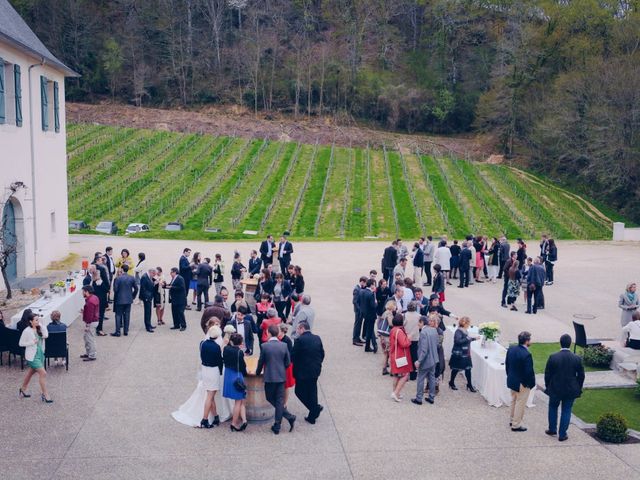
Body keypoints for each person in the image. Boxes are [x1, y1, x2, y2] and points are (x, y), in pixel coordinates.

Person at [256, 324, 297, 434]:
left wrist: (257, 372)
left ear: (268, 333)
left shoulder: (264, 346)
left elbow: (261, 362)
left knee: (270, 398)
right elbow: (288, 363)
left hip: (269, 377)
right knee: (279, 400)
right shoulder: (283, 345)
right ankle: (280, 423)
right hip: (281, 377)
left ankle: (282, 421)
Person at [544, 334, 585, 441]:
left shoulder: (553, 357)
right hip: (570, 389)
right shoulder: (576, 358)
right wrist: (578, 387)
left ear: (560, 342)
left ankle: (552, 429)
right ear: (570, 344)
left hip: (555, 389)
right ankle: (562, 434)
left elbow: (547, 374)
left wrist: (548, 386)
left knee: (553, 407)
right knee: (566, 410)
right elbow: (581, 375)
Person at [292, 321, 325, 424]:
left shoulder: (299, 340)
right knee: (312, 391)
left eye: (298, 329)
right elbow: (322, 353)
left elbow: (293, 356)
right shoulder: (317, 338)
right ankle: (312, 417)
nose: (297, 331)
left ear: (302, 328)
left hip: (302, 372)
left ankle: (314, 409)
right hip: (315, 370)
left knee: (299, 391)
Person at [18, 313, 52, 403]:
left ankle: (23, 389)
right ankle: (45, 394)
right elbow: (20, 343)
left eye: (38, 319)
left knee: (30, 373)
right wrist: (31, 342)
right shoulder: (27, 331)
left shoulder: (40, 327)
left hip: (40, 354)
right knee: (43, 373)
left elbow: (46, 335)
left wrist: (41, 326)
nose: (38, 321)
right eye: (36, 320)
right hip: (32, 356)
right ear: (30, 321)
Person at [506, 331, 536, 432]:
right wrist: (530, 384)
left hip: (512, 380)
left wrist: (510, 376)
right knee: (520, 403)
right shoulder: (527, 354)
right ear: (527, 341)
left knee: (514, 400)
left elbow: (507, 365)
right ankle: (516, 424)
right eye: (530, 340)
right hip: (522, 383)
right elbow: (529, 372)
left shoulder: (511, 349)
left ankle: (512, 419)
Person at [199, 325, 224, 429]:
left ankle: (216, 416)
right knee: (210, 396)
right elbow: (219, 361)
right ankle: (204, 419)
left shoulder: (203, 343)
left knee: (211, 395)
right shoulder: (216, 347)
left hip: (205, 369)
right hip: (213, 371)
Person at [411, 316, 440, 405]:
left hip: (426, 360)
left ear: (422, 322)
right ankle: (431, 397)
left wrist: (419, 361)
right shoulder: (434, 330)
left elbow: (424, 349)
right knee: (431, 378)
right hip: (434, 359)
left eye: (419, 323)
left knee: (420, 379)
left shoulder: (423, 332)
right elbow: (437, 344)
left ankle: (419, 398)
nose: (418, 324)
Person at [223, 333, 248, 431]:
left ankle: (245, 420)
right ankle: (233, 424)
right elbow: (242, 367)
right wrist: (246, 373)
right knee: (238, 401)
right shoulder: (239, 352)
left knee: (240, 400)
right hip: (236, 376)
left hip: (228, 375)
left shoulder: (226, 349)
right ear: (241, 343)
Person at [449, 316, 477, 392]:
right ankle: (451, 382)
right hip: (459, 354)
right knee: (456, 369)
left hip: (466, 353)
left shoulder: (464, 330)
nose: (469, 325)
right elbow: (458, 341)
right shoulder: (458, 331)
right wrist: (468, 338)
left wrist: (474, 338)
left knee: (468, 369)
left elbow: (466, 340)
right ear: (465, 324)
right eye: (468, 323)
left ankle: (469, 384)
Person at [389, 314, 412, 402]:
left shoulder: (393, 330)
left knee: (396, 375)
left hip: (394, 355)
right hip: (400, 356)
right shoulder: (399, 331)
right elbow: (404, 343)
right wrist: (409, 339)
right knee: (405, 374)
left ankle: (395, 392)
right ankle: (395, 393)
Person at [112, 264, 138, 337]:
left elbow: (115, 290)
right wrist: (132, 296)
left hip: (119, 299)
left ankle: (118, 332)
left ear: (122, 269)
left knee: (118, 315)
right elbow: (136, 289)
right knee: (127, 315)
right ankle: (126, 331)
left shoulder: (117, 278)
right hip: (128, 299)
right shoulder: (132, 278)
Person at [80, 286, 99, 361]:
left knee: (89, 339)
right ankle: (88, 353)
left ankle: (92, 355)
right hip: (94, 320)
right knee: (86, 338)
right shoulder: (94, 297)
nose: (82, 293)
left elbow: (90, 315)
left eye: (83, 291)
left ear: (87, 292)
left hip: (91, 322)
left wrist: (87, 325)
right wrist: (84, 311)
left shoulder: (90, 301)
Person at [165, 267, 187, 331]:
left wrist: (171, 287)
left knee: (180, 312)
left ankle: (183, 325)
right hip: (174, 299)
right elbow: (171, 285)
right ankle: (176, 324)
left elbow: (181, 287)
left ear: (175, 272)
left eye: (171, 272)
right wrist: (165, 285)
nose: (170, 273)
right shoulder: (174, 278)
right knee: (174, 312)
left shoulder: (180, 278)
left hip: (180, 299)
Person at [404, 301, 421, 381]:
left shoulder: (405, 315)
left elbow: (403, 325)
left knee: (406, 355)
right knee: (414, 355)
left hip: (406, 337)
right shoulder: (419, 316)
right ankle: (413, 374)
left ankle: (405, 373)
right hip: (415, 338)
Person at [378, 300, 396, 375]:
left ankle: (384, 368)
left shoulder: (384, 312)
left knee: (385, 353)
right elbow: (391, 324)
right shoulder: (389, 313)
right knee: (390, 353)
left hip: (382, 335)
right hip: (387, 336)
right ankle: (392, 370)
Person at [360, 279, 378, 353]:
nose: (375, 286)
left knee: (369, 330)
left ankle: (368, 346)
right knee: (370, 330)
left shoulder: (362, 292)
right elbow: (373, 306)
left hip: (365, 314)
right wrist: (376, 302)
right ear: (371, 285)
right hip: (371, 315)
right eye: (374, 284)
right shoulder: (370, 294)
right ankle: (373, 345)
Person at [139, 268, 157, 333]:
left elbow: (150, 284)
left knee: (149, 311)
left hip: (149, 296)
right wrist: (145, 297)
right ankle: (148, 327)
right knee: (147, 312)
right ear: (151, 272)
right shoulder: (144, 277)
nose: (153, 276)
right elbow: (143, 288)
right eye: (153, 274)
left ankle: (149, 324)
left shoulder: (148, 276)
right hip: (146, 297)